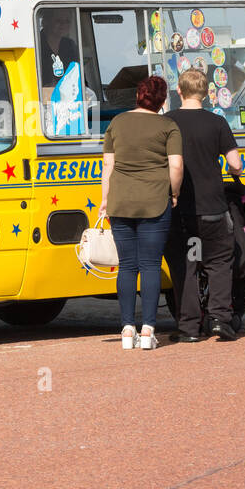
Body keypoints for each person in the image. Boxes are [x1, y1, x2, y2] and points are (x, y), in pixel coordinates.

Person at [100, 75, 183, 350]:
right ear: (161, 101)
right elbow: (176, 167)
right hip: (155, 202)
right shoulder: (168, 126)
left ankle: (126, 330)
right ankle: (147, 330)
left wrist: (104, 200)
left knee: (126, 266)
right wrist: (174, 193)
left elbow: (107, 168)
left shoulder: (116, 123)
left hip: (120, 201)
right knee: (150, 265)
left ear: (138, 95)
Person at [164, 69, 245, 341]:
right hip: (213, 207)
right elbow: (236, 165)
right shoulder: (217, 122)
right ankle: (221, 320)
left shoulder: (168, 122)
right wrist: (234, 172)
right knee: (219, 263)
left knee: (185, 264)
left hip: (181, 210)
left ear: (179, 92)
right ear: (206, 93)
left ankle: (189, 328)